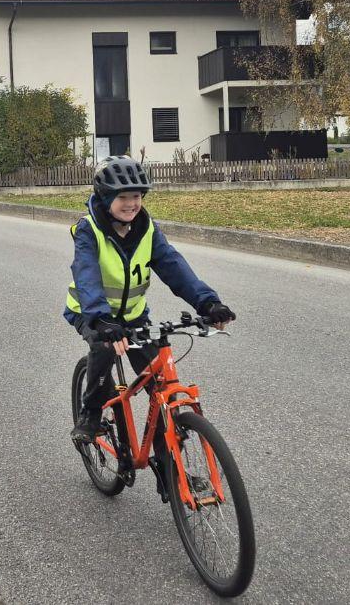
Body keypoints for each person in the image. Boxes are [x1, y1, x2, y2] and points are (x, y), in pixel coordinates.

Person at [65, 155, 236, 443]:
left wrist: (208, 302)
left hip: (133, 316)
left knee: (159, 385)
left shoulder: (146, 229)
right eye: (123, 197)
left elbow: (173, 266)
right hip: (92, 313)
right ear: (105, 198)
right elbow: (86, 273)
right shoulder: (88, 229)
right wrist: (101, 319)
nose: (131, 204)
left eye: (136, 196)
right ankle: (90, 413)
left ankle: (166, 458)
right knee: (104, 350)